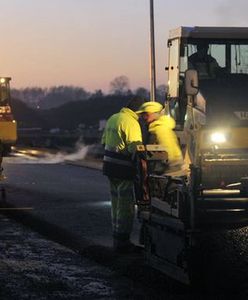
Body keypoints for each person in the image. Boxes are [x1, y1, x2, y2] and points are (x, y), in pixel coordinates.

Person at [101, 96, 145, 253]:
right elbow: (136, 148)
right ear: (138, 111)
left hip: (109, 168)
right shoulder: (131, 122)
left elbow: (103, 142)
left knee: (116, 204)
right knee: (126, 207)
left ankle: (116, 237)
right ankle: (123, 241)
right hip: (123, 169)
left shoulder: (113, 118)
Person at [136, 101, 183, 173]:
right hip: (164, 168)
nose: (143, 117)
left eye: (146, 114)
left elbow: (169, 148)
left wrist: (171, 166)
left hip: (166, 169)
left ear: (155, 114)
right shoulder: (155, 127)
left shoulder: (160, 128)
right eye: (142, 115)